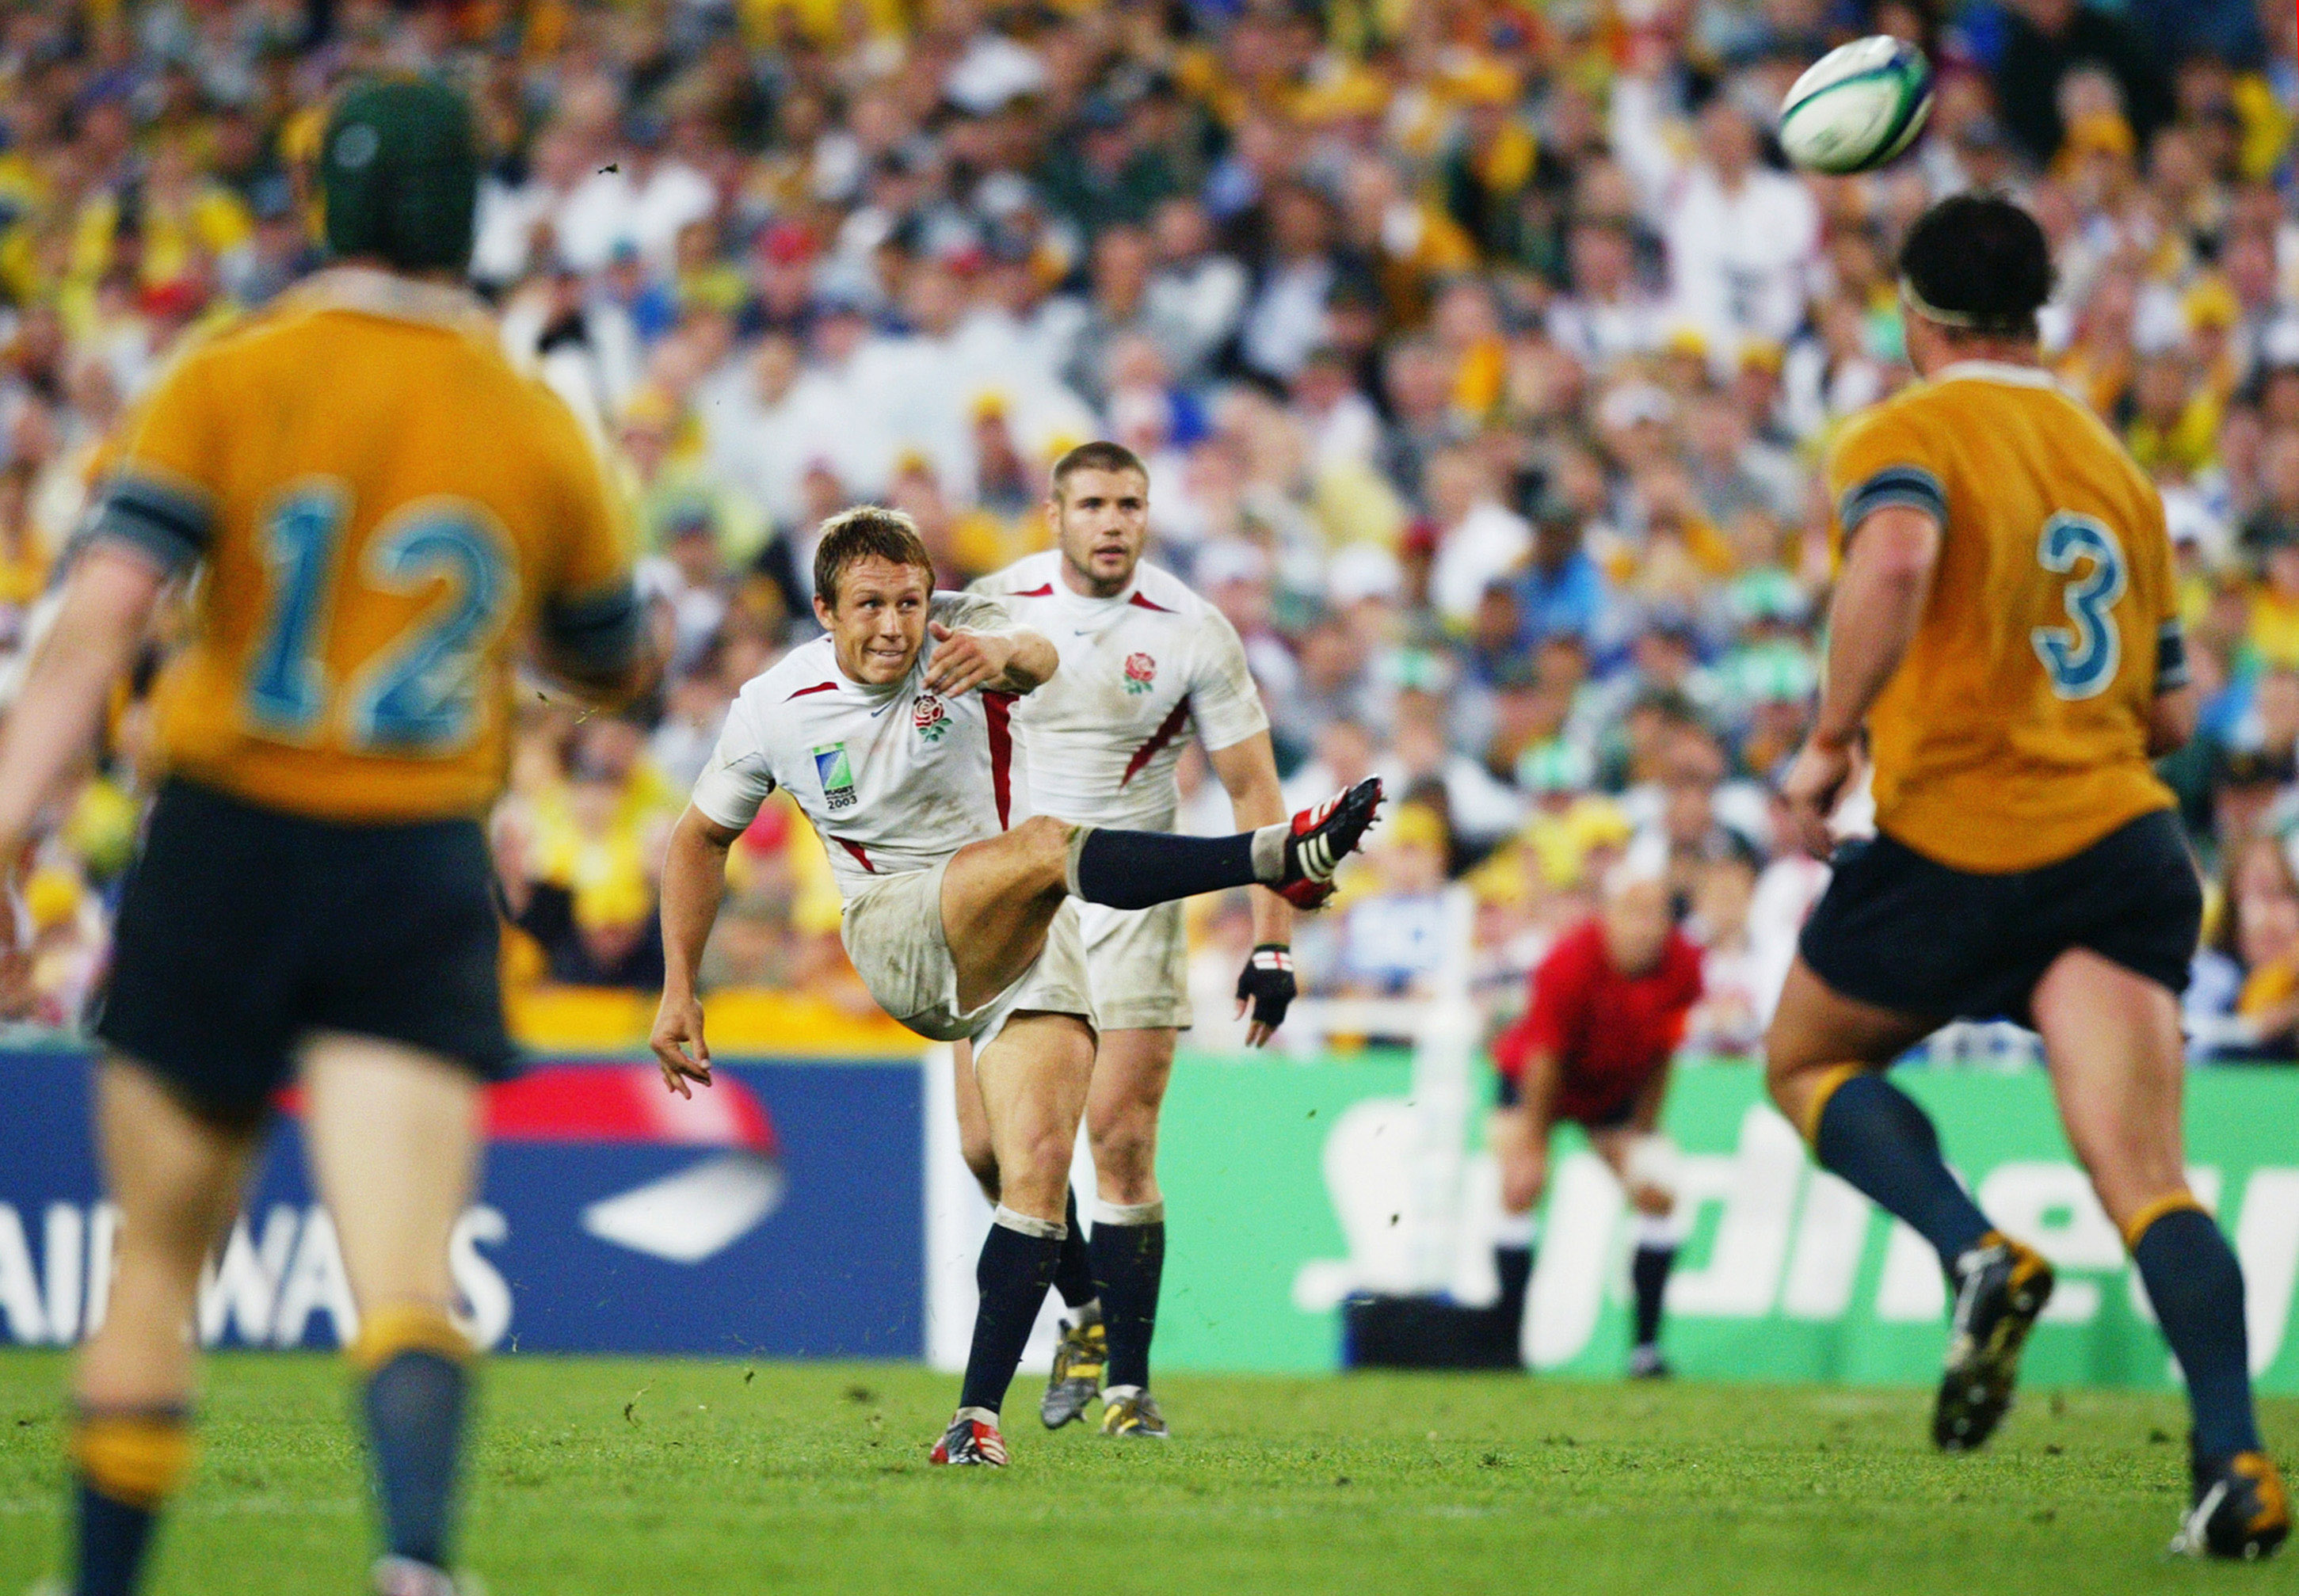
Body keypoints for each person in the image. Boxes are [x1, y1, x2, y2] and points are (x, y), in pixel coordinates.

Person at [0, 81, 650, 1596]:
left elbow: (96, 630)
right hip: (414, 856)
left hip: (223, 847)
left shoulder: (230, 377)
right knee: (408, 1276)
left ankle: (101, 1587)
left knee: (154, 1269)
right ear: (468, 216)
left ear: (324, 207)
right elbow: (614, 658)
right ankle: (416, 1567)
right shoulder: (531, 418)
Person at [1766, 193, 2286, 1560]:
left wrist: (1827, 743)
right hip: (2120, 850)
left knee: (1805, 1064)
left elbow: (1892, 551)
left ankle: (1972, 1250)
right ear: (2036, 312)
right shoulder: (2112, 467)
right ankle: (2232, 1463)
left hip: (1960, 835)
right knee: (2147, 1176)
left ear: (1912, 314)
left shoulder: (1907, 431)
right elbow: (2171, 721)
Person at [649, 505, 1378, 1467]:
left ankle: (978, 1417)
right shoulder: (773, 704)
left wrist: (1003, 659)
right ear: (823, 609)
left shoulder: (961, 628)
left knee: (1021, 1164)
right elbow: (700, 837)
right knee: (1043, 848)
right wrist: (677, 988)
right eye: (868, 605)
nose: (893, 627)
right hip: (899, 929)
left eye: (909, 602)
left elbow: (1035, 650)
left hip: (1021, 929)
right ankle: (1275, 854)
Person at [966, 440, 1296, 1440]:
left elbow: (1254, 792)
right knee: (989, 1148)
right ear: (1055, 512)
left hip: (1133, 899)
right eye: (1094, 503)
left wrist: (1271, 940)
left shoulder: (1193, 628)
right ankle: (1085, 1309)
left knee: (1117, 1138)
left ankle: (1129, 1390)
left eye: (1129, 503)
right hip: (1013, 897)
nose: (1113, 521)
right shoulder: (993, 604)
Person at [1489, 863, 1702, 1377]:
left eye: (1656, 915)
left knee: (1659, 1192)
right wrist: (1533, 1144)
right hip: (1538, 1082)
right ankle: (1508, 1348)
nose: (1645, 927)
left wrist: (1646, 1129)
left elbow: (1665, 1049)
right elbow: (1545, 1056)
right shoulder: (1567, 962)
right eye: (1632, 912)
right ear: (1607, 916)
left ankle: (1645, 1350)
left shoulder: (1685, 963)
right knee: (1520, 1188)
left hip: (1613, 1089)